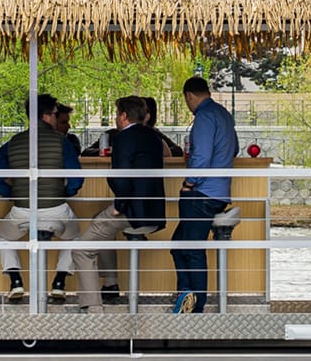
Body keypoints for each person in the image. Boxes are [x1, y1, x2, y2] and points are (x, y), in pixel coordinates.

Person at [72, 96, 167, 312]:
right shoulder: (153, 137)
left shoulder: (124, 138)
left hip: (132, 211)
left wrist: (120, 204)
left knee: (80, 250)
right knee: (99, 221)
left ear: (123, 116)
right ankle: (111, 284)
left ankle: (93, 308)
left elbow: (122, 176)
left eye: (117, 114)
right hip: (153, 212)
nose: (116, 119)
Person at [0, 93, 83, 303]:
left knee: (4, 238)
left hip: (22, 211)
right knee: (75, 237)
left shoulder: (12, 143)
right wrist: (64, 193)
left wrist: (15, 195)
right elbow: (77, 179)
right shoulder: (63, 142)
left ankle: (15, 281)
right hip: (56, 209)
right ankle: (59, 282)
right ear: (48, 115)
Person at [170, 76, 238, 313]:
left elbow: (201, 157)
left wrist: (189, 182)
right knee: (179, 244)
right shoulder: (223, 114)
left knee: (192, 249)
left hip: (201, 193)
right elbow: (235, 148)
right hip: (219, 193)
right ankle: (186, 298)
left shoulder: (204, 118)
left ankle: (195, 307)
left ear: (189, 95)